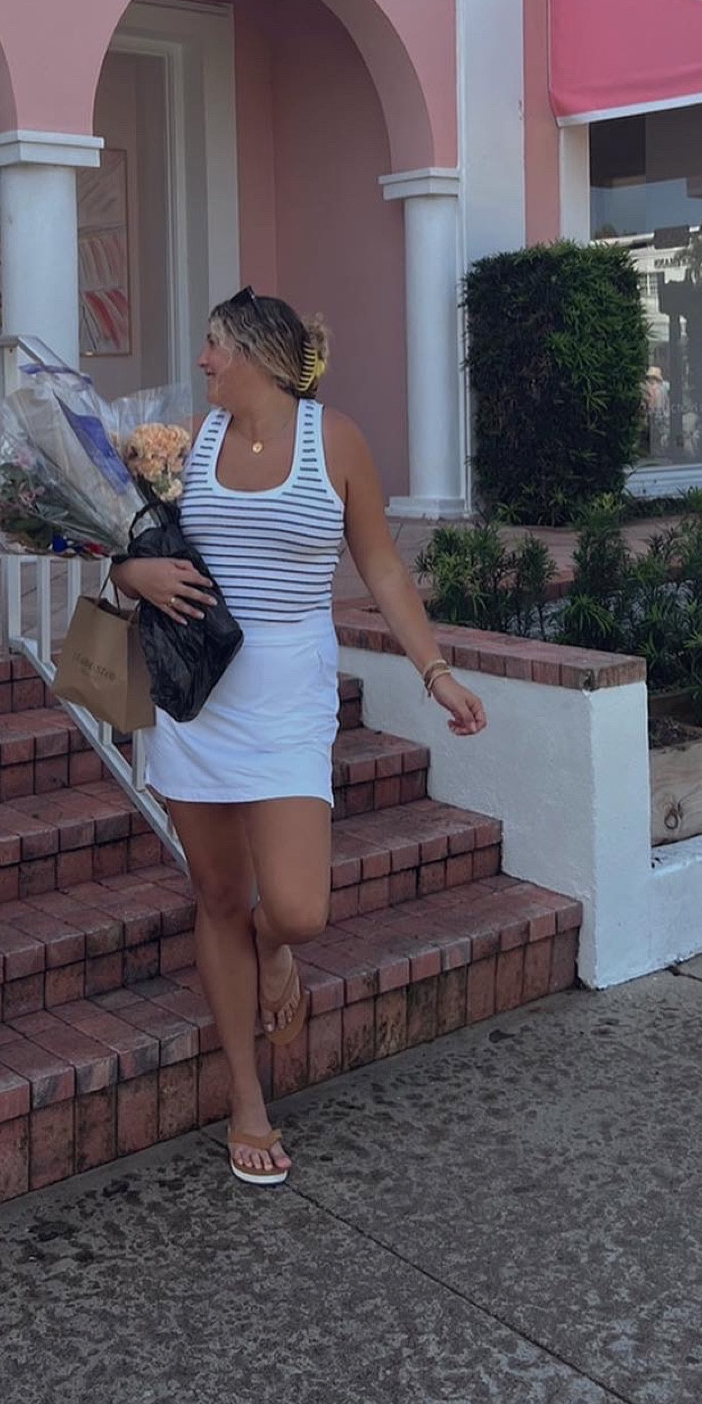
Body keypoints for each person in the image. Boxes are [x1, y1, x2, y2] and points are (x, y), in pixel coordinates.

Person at [110, 287, 487, 1188]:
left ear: (258, 354)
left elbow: (383, 567)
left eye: (212, 347)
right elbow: (116, 549)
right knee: (216, 896)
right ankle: (246, 1097)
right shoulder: (182, 447)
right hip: (196, 696)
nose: (200, 363)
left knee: (296, 909)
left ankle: (272, 949)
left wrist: (435, 670)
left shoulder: (335, 441)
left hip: (289, 695)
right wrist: (137, 571)